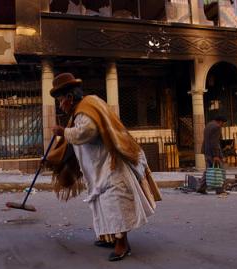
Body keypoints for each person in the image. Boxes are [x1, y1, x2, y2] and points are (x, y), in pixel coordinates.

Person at [47, 73, 161, 262]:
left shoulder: (85, 109)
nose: (60, 105)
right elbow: (72, 145)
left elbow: (87, 132)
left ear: (69, 97)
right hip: (99, 168)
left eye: (60, 101)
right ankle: (110, 237)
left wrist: (63, 131)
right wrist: (53, 157)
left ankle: (122, 244)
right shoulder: (85, 106)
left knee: (115, 206)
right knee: (103, 205)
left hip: (110, 166)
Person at [196, 115, 227, 195]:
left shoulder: (208, 125)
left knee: (209, 170)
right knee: (220, 171)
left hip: (207, 151)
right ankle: (220, 190)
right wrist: (216, 155)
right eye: (223, 124)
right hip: (213, 153)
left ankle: (201, 188)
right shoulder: (217, 127)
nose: (222, 125)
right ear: (220, 121)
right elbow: (214, 143)